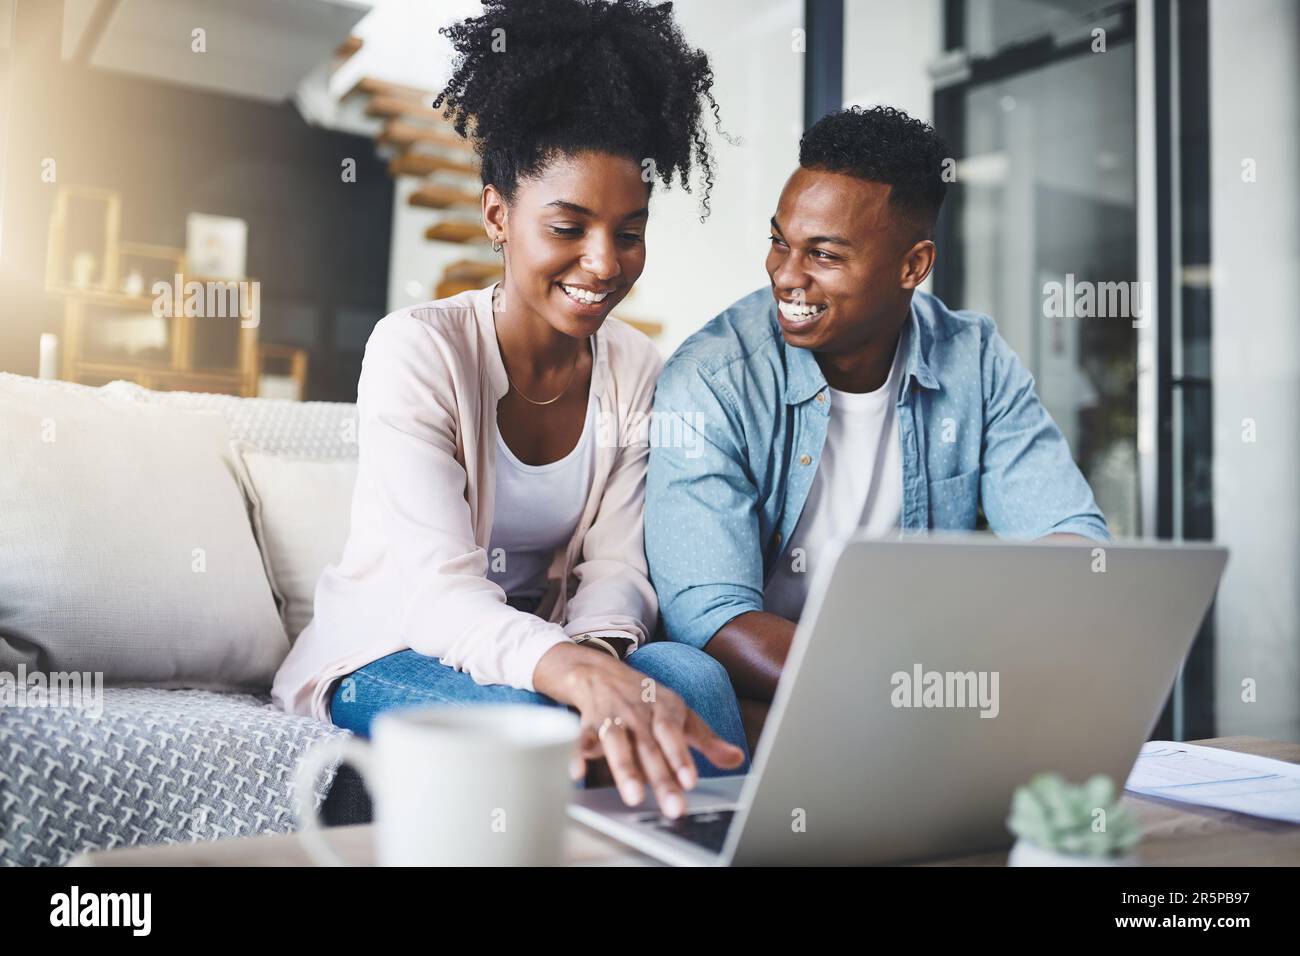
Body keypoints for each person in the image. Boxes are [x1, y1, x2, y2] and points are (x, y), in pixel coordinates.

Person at [273, 0, 746, 820]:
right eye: (569, 226)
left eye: (630, 232)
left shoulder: (637, 368)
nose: (604, 263)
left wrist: (597, 659)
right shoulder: (417, 350)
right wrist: (566, 675)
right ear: (497, 215)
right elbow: (433, 592)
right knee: (526, 727)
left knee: (695, 681)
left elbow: (617, 567)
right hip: (394, 644)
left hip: (549, 646)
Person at [645, 105, 1110, 750]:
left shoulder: (973, 359)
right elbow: (712, 615)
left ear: (913, 267)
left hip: (920, 676)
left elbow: (1070, 539)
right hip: (775, 680)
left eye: (824, 255)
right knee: (687, 676)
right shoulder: (713, 378)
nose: (786, 274)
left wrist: (976, 671)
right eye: (780, 240)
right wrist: (888, 688)